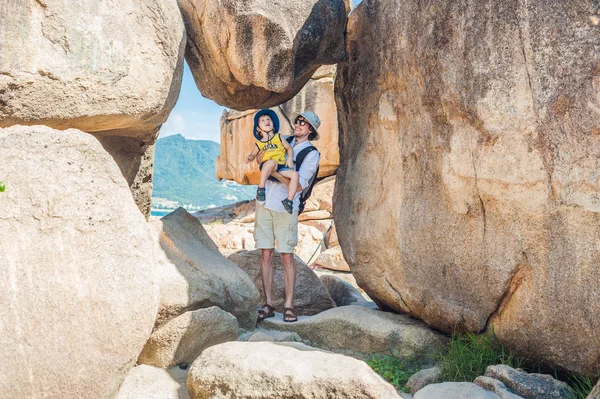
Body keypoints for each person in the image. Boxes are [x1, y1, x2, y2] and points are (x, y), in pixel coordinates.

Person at [254, 110, 321, 323]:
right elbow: (261, 159)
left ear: (311, 130)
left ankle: (289, 306)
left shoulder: (311, 154)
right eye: (298, 121)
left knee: (286, 256)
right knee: (265, 253)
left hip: (286, 207)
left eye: (304, 123)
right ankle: (268, 303)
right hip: (264, 203)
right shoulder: (282, 140)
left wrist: (273, 172)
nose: (299, 125)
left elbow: (299, 185)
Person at [245, 109, 299, 214]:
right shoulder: (259, 143)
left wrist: (289, 159)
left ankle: (289, 200)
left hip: (280, 166)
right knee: (271, 162)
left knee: (295, 175)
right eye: (262, 120)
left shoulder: (278, 137)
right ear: (258, 129)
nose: (266, 121)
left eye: (268, 119)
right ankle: (261, 188)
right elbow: (253, 154)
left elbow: (288, 148)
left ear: (273, 126)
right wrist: (249, 158)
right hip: (267, 166)